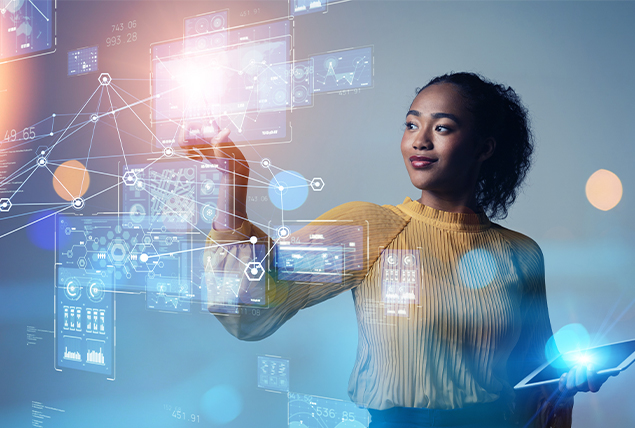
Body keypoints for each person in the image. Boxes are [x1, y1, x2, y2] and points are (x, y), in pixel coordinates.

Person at [185, 72, 614, 427]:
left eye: (441, 128)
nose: (419, 141)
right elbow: (246, 306)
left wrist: (569, 380)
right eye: (411, 124)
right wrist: (232, 175)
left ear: (484, 148)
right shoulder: (371, 227)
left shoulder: (522, 254)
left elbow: (537, 383)